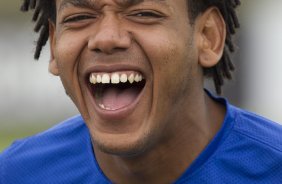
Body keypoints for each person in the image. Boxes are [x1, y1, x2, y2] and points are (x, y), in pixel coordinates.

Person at [1, 0, 282, 183]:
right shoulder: (16, 174)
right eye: (79, 18)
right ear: (54, 45)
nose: (107, 38)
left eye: (143, 14)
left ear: (208, 37)